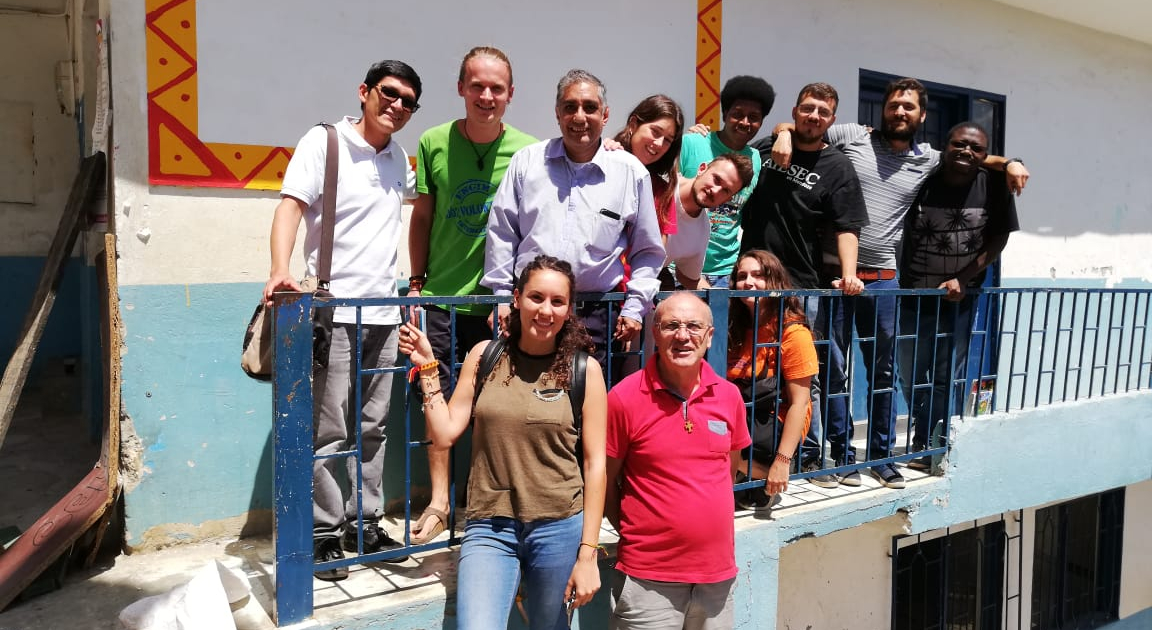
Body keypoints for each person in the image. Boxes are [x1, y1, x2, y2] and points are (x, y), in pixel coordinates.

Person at [770, 77, 1030, 488]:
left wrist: (1012, 162)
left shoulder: (930, 158)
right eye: (894, 104)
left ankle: (881, 456)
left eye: (909, 106)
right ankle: (842, 455)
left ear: (922, 116)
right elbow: (804, 126)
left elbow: (975, 155)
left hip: (884, 281)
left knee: (884, 373)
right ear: (883, 108)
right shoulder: (851, 135)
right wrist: (783, 132)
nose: (900, 112)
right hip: (834, 277)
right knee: (832, 372)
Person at [262, 60, 422, 581]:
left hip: (384, 314)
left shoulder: (398, 158)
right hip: (333, 311)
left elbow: (420, 212)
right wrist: (280, 269)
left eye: (408, 101)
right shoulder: (325, 142)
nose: (397, 105)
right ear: (364, 91)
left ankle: (364, 523)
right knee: (329, 427)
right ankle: (323, 531)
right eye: (389, 93)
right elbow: (290, 207)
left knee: (373, 427)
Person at [400, 255, 607, 629]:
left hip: (558, 527)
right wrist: (428, 367)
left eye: (557, 301)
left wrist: (588, 554)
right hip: (490, 526)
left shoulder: (584, 370)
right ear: (516, 299)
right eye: (536, 297)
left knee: (549, 625)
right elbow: (445, 433)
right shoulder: (485, 356)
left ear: (568, 310)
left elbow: (595, 465)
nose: (545, 310)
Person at [406, 46, 537, 544]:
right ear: (461, 88)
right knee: (433, 397)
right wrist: (416, 282)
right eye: (477, 85)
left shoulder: (529, 151)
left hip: (499, 304)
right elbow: (422, 216)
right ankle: (439, 502)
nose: (486, 96)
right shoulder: (433, 141)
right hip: (440, 298)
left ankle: (484, 501)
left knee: (497, 407)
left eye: (496, 88)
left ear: (510, 94)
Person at [482, 69, 665, 370]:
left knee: (588, 395)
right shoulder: (527, 163)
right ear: (558, 114)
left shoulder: (630, 173)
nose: (580, 116)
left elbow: (648, 250)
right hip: (532, 309)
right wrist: (501, 298)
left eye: (590, 107)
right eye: (570, 107)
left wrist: (635, 307)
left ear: (605, 115)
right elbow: (502, 233)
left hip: (596, 313)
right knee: (527, 392)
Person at [740, 82, 868, 486]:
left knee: (802, 375)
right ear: (795, 111)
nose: (814, 116)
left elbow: (847, 225)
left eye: (823, 112)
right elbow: (730, 163)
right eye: (808, 108)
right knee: (749, 366)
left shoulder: (837, 166)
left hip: (801, 285)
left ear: (832, 120)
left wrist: (850, 272)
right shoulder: (767, 147)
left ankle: (808, 455)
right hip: (750, 280)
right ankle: (750, 449)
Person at [605, 292, 751, 630]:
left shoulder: (729, 396)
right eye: (671, 326)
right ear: (655, 334)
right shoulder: (624, 398)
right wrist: (636, 532)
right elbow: (604, 480)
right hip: (648, 578)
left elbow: (728, 472)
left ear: (709, 336)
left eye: (693, 326)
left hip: (716, 578)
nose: (683, 336)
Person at [897, 122, 1019, 472]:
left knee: (945, 374)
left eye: (976, 148)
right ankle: (923, 427)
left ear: (985, 155)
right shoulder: (924, 177)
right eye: (959, 144)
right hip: (914, 294)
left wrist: (962, 279)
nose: (966, 151)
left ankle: (931, 442)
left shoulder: (993, 184)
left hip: (960, 300)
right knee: (909, 371)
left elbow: (999, 238)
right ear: (945, 146)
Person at [726, 251, 819, 509]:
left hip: (772, 423)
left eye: (758, 275)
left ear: (775, 281)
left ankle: (763, 473)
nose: (748, 282)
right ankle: (742, 473)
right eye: (742, 276)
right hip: (743, 417)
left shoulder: (793, 333)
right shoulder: (733, 326)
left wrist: (782, 461)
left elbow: (800, 403)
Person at [679, 75, 775, 286]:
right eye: (737, 114)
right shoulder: (692, 143)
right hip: (679, 267)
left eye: (753, 117)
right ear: (724, 114)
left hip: (725, 271)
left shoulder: (755, 158)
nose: (745, 122)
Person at [664, 154, 755, 290]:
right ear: (701, 169)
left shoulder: (702, 230)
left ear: (727, 200)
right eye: (716, 179)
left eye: (725, 190)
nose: (715, 190)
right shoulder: (658, 185)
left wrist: (718, 299)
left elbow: (687, 277)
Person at [612, 94, 685, 246]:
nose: (659, 144)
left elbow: (657, 250)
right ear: (633, 124)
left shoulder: (663, 191)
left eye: (667, 140)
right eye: (655, 132)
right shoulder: (602, 164)